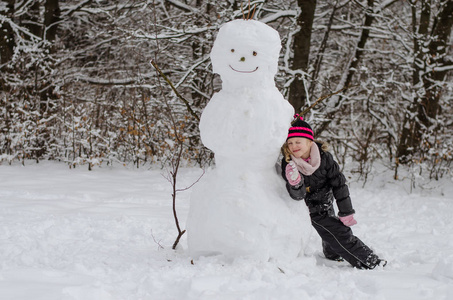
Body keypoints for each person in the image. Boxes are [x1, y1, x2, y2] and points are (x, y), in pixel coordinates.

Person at [280, 114, 386, 269]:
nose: (293, 146)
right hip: (309, 206)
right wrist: (295, 183)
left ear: (310, 141)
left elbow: (339, 183)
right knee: (339, 232)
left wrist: (346, 211)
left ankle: (332, 254)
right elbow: (298, 196)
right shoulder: (289, 164)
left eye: (298, 141)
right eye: (290, 142)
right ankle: (370, 261)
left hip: (325, 198)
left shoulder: (325, 158)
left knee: (330, 234)